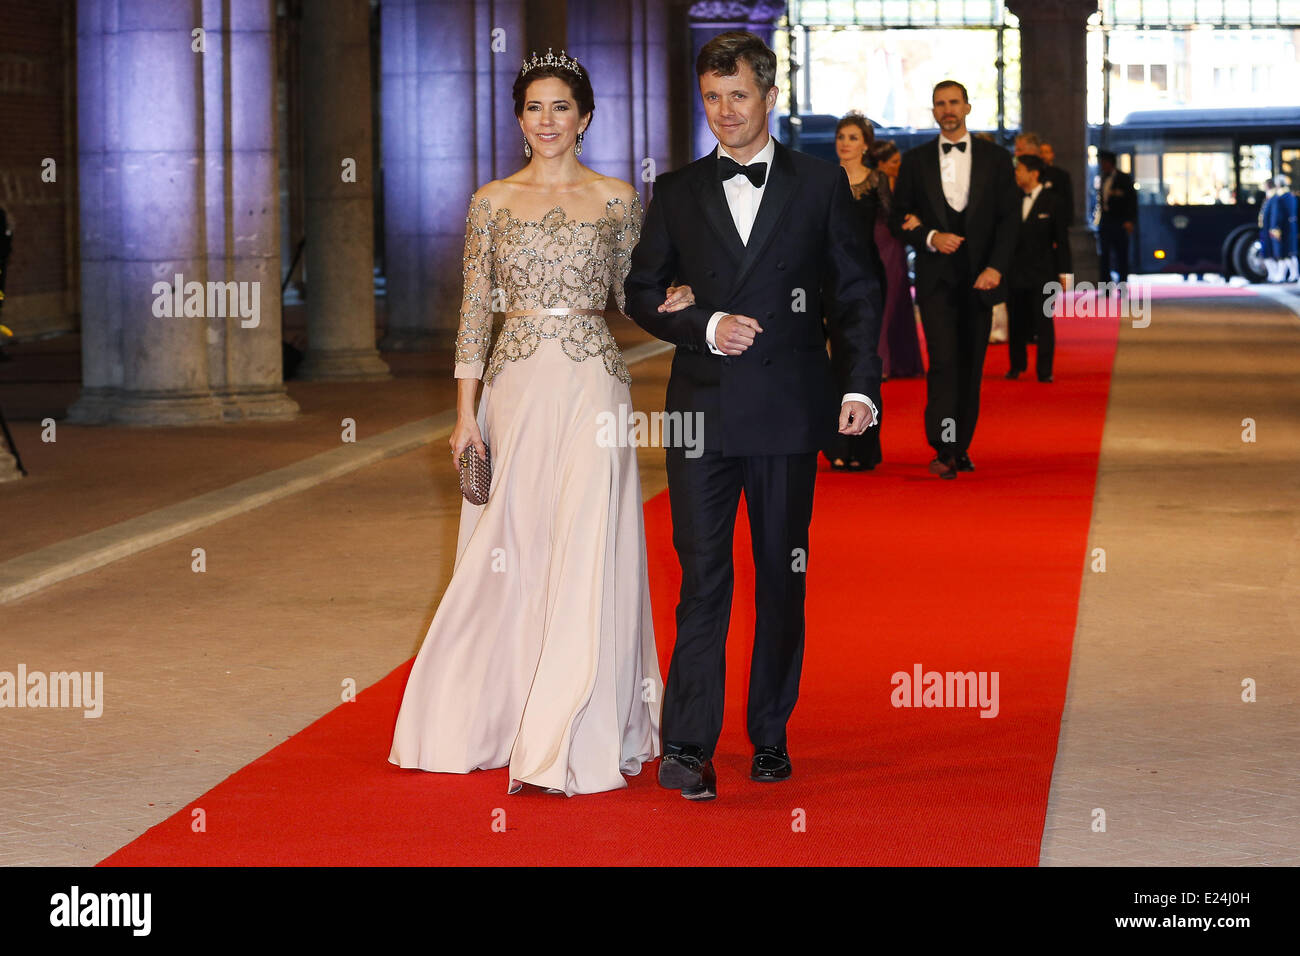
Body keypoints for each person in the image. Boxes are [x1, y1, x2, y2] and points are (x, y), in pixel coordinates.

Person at [388, 51, 691, 796]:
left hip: (592, 387)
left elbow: (633, 295)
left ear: (585, 117)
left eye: (562, 107)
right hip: (513, 388)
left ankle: (576, 727)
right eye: (535, 107)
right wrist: (465, 415)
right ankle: (488, 714)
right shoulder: (490, 201)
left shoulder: (620, 200)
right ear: (520, 118)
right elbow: (474, 312)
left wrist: (689, 301)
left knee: (587, 546)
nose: (548, 120)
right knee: (507, 545)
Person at [625, 30, 880, 800]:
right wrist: (701, 323)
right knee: (703, 578)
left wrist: (859, 387)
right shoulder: (675, 191)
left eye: (738, 95)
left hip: (787, 411)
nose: (724, 112)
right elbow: (640, 292)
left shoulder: (818, 184)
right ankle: (688, 745)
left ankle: (770, 732)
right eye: (712, 97)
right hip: (700, 415)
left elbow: (858, 292)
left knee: (781, 574)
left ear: (770, 97)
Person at [893, 80, 1019, 479]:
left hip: (980, 280)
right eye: (939, 104)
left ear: (967, 107)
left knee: (971, 366)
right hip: (936, 282)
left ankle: (961, 446)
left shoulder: (997, 159)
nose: (947, 110)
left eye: (953, 103)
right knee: (944, 363)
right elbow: (899, 217)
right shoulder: (914, 161)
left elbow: (1009, 221)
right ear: (933, 112)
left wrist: (995, 268)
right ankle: (944, 447)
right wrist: (929, 236)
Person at [824, 111, 884, 471]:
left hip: (869, 279)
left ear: (865, 144)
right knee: (831, 361)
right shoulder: (823, 180)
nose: (845, 143)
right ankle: (836, 444)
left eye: (852, 137)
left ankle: (864, 447)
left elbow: (897, 220)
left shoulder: (878, 182)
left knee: (860, 355)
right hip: (825, 279)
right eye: (841, 137)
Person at [1006, 154, 1071, 383]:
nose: (1016, 173)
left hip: (1044, 272)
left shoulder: (1054, 201)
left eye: (1020, 169)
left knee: (1044, 322)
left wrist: (1065, 274)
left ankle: (1044, 370)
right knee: (1015, 320)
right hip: (1014, 271)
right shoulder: (1011, 198)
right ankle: (1016, 365)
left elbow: (1062, 241)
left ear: (1033, 174)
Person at [868, 140, 925, 379]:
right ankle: (882, 363)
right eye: (894, 162)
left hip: (895, 243)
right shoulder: (876, 182)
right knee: (886, 301)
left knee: (899, 299)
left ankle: (902, 362)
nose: (898, 166)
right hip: (882, 243)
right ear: (881, 164)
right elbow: (892, 215)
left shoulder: (896, 182)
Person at [1096, 149, 1136, 284]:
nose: (1101, 165)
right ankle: (1105, 286)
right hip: (1106, 222)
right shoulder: (1103, 178)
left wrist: (1130, 220)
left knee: (1121, 255)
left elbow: (1131, 201)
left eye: (1103, 162)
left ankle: (1122, 285)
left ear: (1109, 163)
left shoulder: (1123, 178)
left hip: (1120, 222)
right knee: (1104, 256)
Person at [1266, 175, 1298, 282]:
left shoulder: (1280, 197)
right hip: (1291, 227)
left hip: (1282, 228)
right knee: (1290, 252)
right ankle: (1293, 274)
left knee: (1283, 253)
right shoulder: (1291, 196)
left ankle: (1288, 275)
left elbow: (1277, 215)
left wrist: (1275, 228)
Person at [1259, 179, 1280, 282]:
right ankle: (1272, 274)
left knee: (1270, 253)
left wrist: (1274, 228)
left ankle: (1275, 274)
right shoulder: (1268, 198)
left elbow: (1274, 214)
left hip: (1269, 229)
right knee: (1266, 253)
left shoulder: (1274, 198)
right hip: (1265, 229)